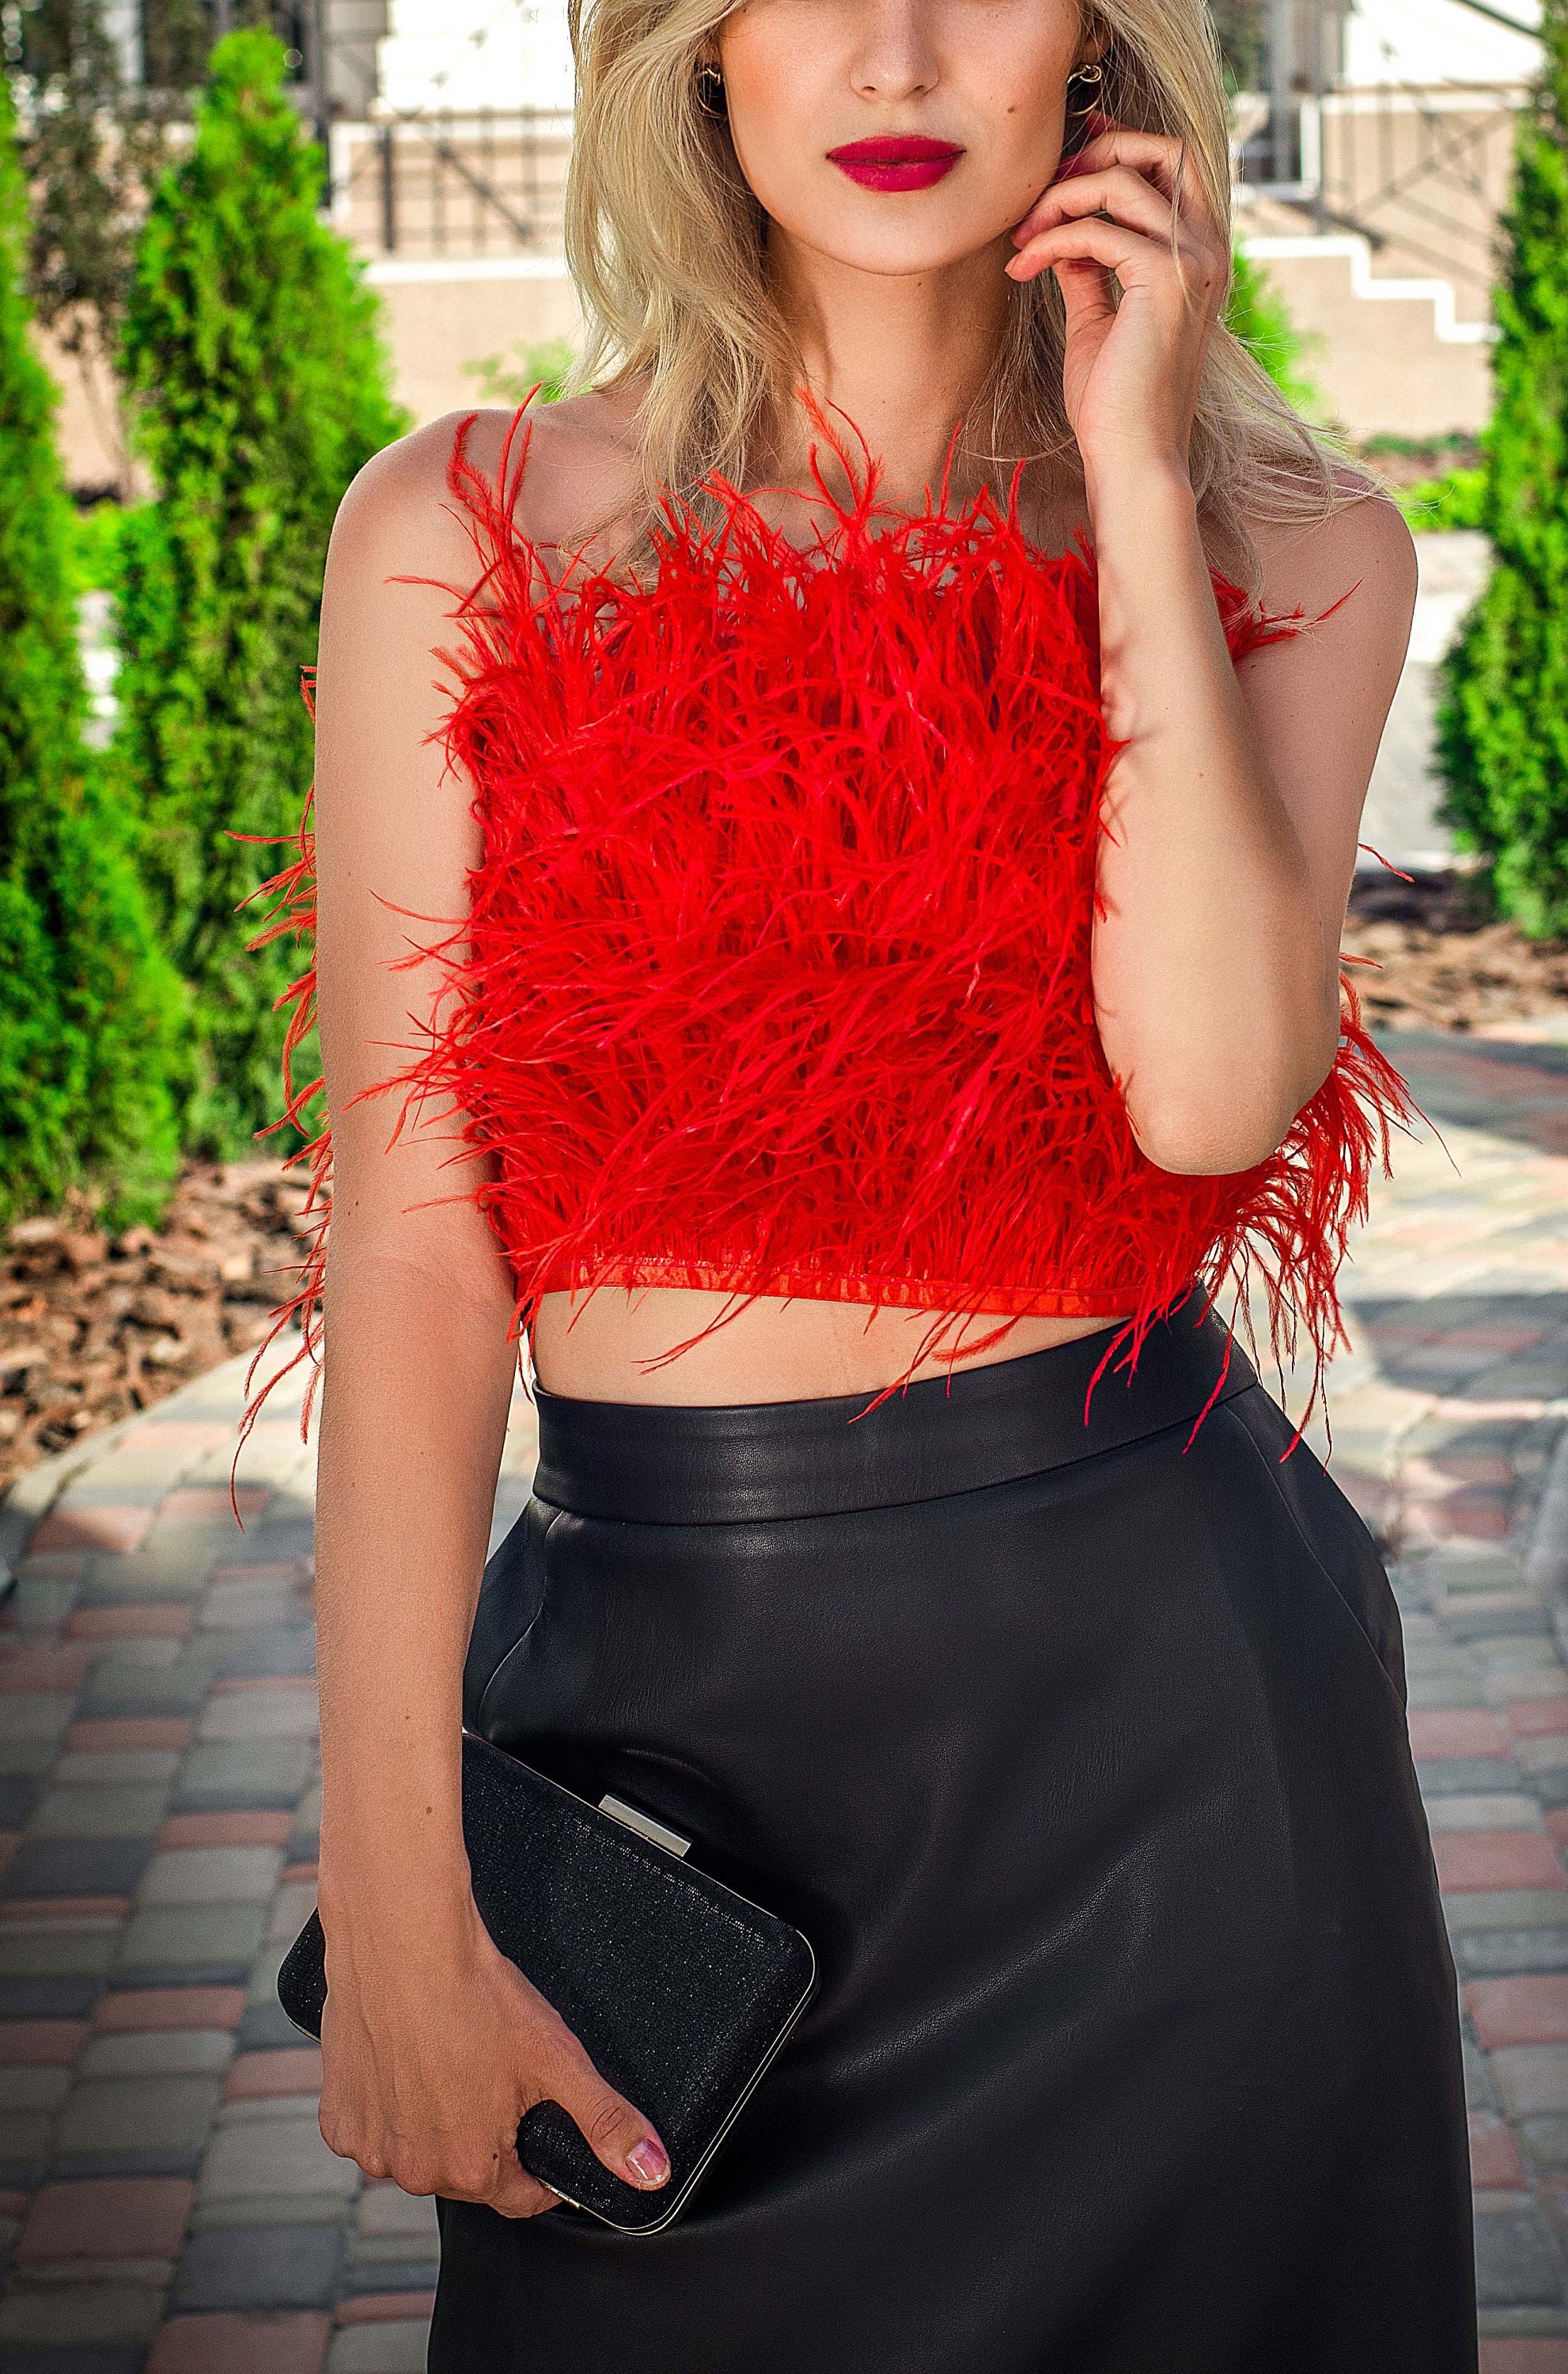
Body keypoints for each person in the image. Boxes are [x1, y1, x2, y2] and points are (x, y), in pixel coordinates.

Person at [237, 0, 1477, 2357]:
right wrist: (392, 1885)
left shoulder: (1292, 543)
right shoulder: (466, 524)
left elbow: (1212, 1100)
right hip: (656, 1731)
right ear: (691, 51)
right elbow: (409, 1242)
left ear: (1099, 51)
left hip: (1179, 1766)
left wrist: (1128, 473)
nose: (895, 55)